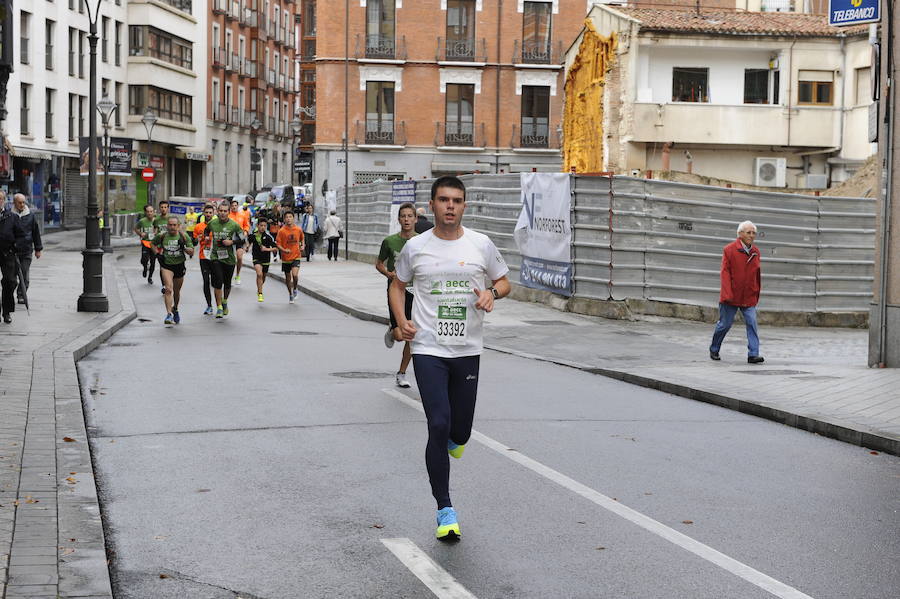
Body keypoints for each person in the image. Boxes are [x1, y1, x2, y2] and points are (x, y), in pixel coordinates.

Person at [391, 176, 510, 540]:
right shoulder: (416, 247)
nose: (450, 206)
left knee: (460, 431)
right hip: (428, 348)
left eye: (456, 200)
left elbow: (504, 281)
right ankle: (445, 509)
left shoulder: (481, 244)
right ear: (432, 205)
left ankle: (454, 442)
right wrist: (401, 321)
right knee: (438, 424)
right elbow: (397, 286)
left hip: (467, 349)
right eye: (443, 200)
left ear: (464, 206)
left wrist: (491, 293)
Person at [709, 220, 764, 364]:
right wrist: (727, 293)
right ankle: (714, 348)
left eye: (753, 233)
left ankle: (753, 354)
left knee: (752, 323)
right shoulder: (729, 250)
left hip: (748, 295)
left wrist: (756, 291)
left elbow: (757, 275)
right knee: (724, 325)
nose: (751, 236)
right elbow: (725, 273)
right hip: (731, 296)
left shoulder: (756, 252)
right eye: (748, 232)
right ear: (740, 234)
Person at [376, 202, 417, 389]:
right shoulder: (390, 241)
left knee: (411, 335)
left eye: (410, 216)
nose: (407, 219)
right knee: (400, 335)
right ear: (399, 219)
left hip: (416, 292)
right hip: (396, 291)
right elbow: (379, 264)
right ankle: (392, 330)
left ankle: (401, 373)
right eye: (403, 216)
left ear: (415, 219)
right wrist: (389, 274)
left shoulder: (421, 241)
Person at [151, 216, 194, 324]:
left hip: (179, 265)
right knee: (168, 289)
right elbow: (152, 244)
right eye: (170, 225)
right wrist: (157, 253)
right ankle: (169, 314)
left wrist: (183, 247)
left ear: (178, 226)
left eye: (174, 225)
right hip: (167, 265)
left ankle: (175, 308)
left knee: (176, 291)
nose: (172, 227)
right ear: (167, 225)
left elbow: (191, 252)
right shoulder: (162, 235)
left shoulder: (184, 236)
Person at [206, 201, 242, 318]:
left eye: (225, 211)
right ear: (218, 211)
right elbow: (207, 230)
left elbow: (243, 238)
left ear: (228, 212)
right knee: (218, 281)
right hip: (215, 257)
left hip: (229, 258)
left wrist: (232, 242)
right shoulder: (212, 223)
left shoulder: (234, 225)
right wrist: (206, 236)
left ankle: (225, 301)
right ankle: (219, 307)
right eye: (220, 211)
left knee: (227, 284)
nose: (222, 213)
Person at [11, 194, 43, 305]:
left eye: (23, 202)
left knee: (24, 273)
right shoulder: (10, 215)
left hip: (26, 249)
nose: (22, 204)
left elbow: (36, 233)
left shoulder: (31, 216)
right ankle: (10, 294)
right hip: (13, 251)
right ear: (14, 203)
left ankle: (21, 295)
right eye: (19, 202)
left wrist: (38, 249)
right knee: (12, 276)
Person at [0, 194, 25, 324]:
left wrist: (15, 246)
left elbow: (21, 235)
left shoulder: (12, 217)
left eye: (0, 199)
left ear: (4, 201)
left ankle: (7, 311)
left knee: (10, 282)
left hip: (7, 253)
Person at [192, 204, 216, 315]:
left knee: (217, 282)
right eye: (206, 212)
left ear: (213, 213)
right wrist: (197, 239)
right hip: (203, 257)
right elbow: (194, 242)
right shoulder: (198, 227)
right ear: (203, 213)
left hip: (215, 257)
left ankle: (220, 304)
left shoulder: (217, 226)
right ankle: (209, 305)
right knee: (206, 281)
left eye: (210, 212)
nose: (208, 214)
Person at [275, 211, 304, 303]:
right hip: (286, 257)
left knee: (295, 275)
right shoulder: (281, 231)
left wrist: (303, 246)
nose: (288, 219)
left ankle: (295, 288)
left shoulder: (298, 229)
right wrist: (283, 250)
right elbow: (278, 244)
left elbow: (302, 239)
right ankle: (290, 294)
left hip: (296, 255)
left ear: (293, 218)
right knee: (288, 278)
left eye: (290, 217)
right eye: (286, 217)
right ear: (284, 219)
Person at [248, 218, 278, 302]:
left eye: (265, 226)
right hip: (256, 258)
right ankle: (260, 293)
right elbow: (248, 242)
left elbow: (275, 248)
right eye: (261, 225)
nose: (263, 227)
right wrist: (246, 247)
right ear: (257, 226)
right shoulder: (253, 236)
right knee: (259, 274)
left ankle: (259, 289)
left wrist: (266, 249)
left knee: (263, 277)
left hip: (266, 259)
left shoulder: (268, 237)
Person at [133, 204, 158, 285]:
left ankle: (150, 277)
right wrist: (140, 233)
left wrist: (157, 234)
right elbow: (135, 228)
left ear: (154, 212)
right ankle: (145, 267)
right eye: (148, 212)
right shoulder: (142, 221)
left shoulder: (157, 220)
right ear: (145, 212)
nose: (150, 213)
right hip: (145, 243)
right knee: (144, 259)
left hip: (154, 244)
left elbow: (161, 229)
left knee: (153, 262)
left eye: (151, 211)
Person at [230, 199, 251, 285]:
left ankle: (237, 275)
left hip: (240, 238)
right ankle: (229, 276)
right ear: (230, 207)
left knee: (239, 257)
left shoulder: (242, 215)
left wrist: (245, 232)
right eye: (232, 206)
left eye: (235, 205)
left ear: (238, 206)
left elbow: (246, 225)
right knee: (231, 259)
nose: (234, 207)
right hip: (230, 238)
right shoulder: (228, 216)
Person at [153, 200, 171, 294]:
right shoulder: (157, 220)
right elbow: (155, 231)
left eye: (165, 207)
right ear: (159, 208)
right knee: (162, 267)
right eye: (162, 207)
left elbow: (178, 230)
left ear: (168, 208)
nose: (163, 209)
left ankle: (169, 282)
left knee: (170, 266)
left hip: (170, 246)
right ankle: (164, 285)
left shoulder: (172, 219)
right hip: (160, 246)